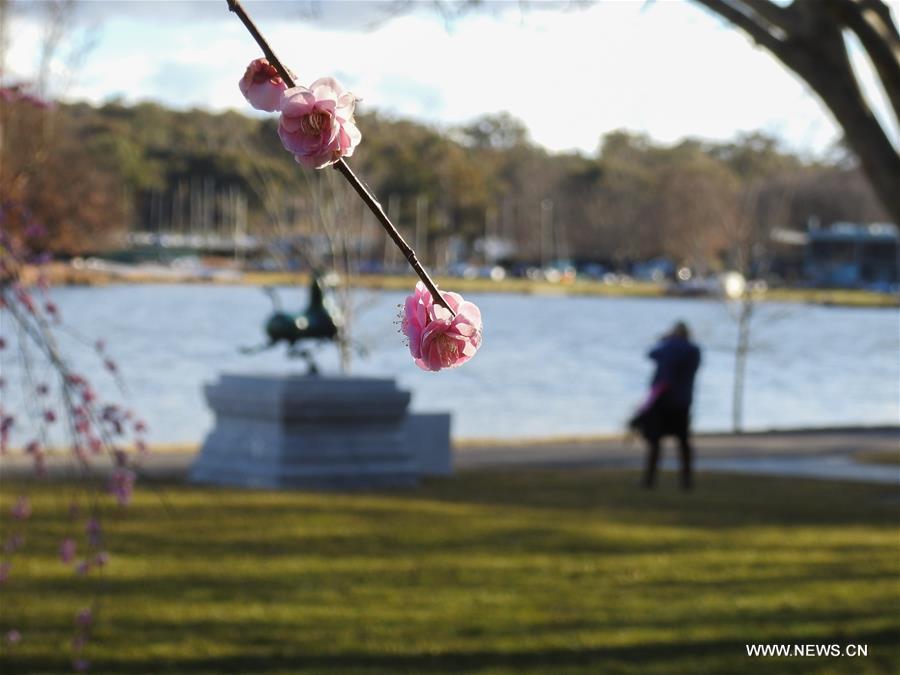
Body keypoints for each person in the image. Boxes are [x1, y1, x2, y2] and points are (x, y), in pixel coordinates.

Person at [630, 321, 701, 491]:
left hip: (662, 399)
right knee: (683, 441)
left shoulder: (668, 347)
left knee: (655, 441)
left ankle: (650, 479)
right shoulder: (694, 350)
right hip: (683, 401)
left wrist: (664, 340)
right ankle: (686, 480)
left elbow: (651, 354)